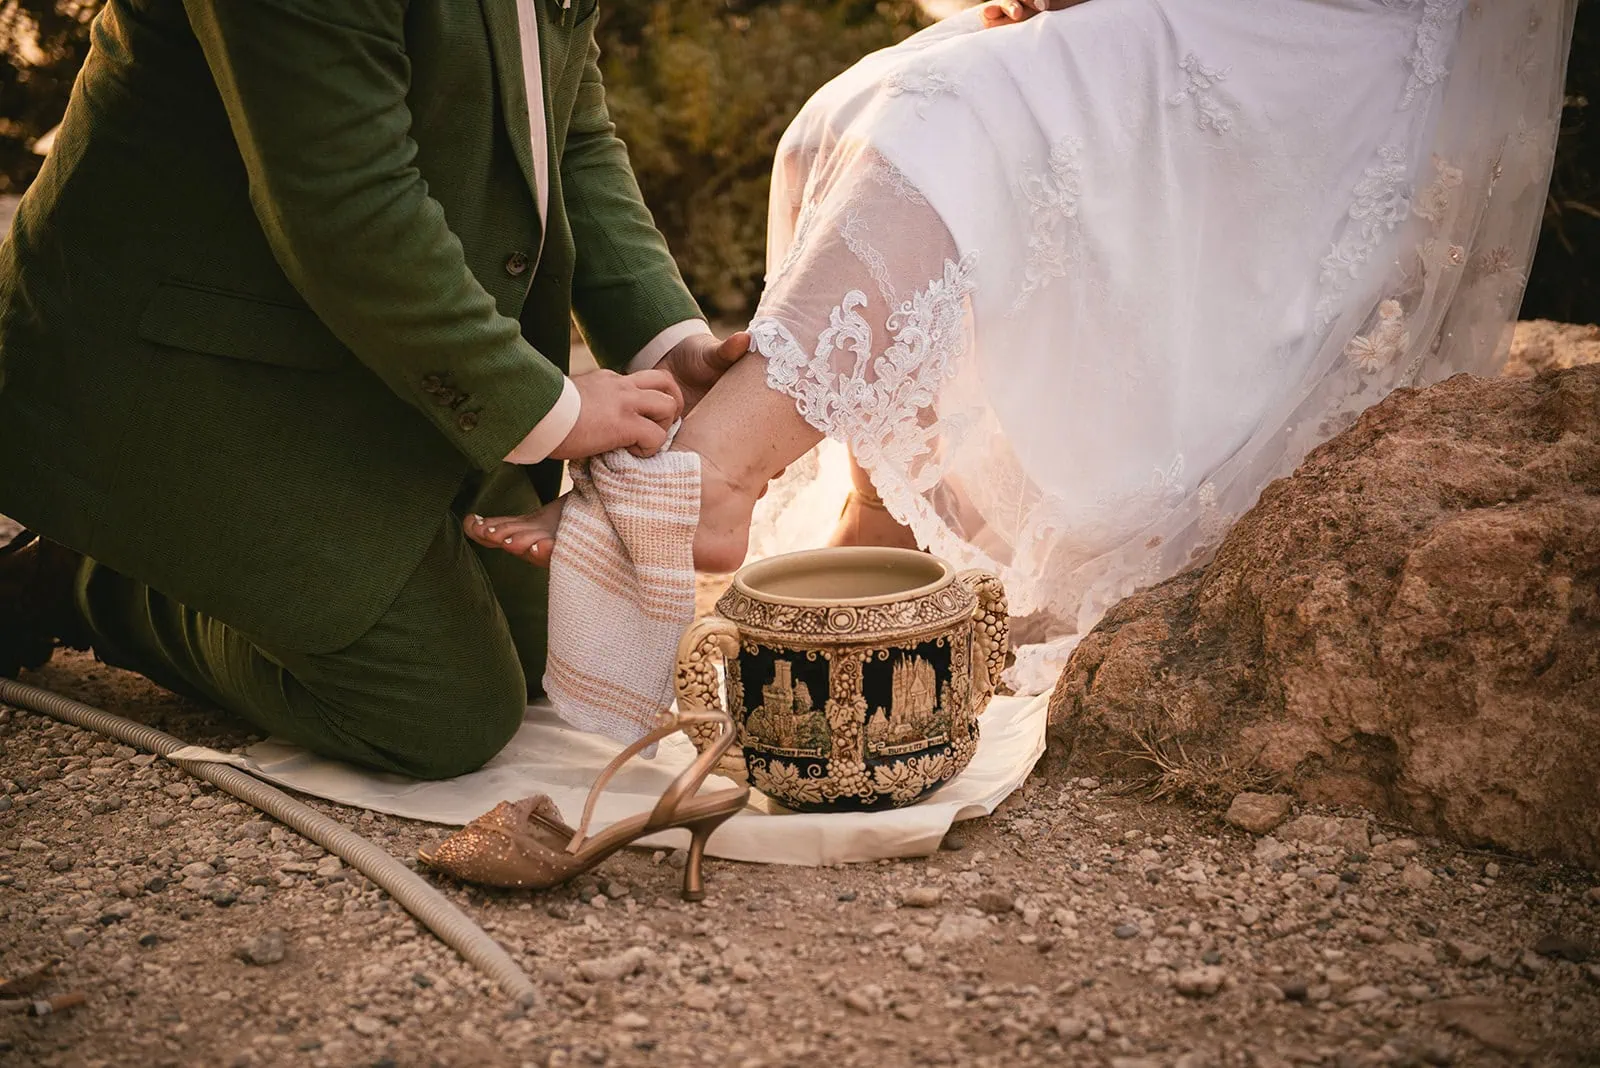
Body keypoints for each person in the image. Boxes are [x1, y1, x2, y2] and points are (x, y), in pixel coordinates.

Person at [468, 0, 1575, 692]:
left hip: (1338, 32)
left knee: (946, 109)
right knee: (857, 102)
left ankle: (709, 477)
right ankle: (885, 522)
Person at [0, 0, 749, 778]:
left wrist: (669, 343)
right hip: (186, 362)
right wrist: (549, 411)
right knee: (441, 711)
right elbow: (346, 202)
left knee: (548, 644)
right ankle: (88, 580)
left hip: (378, 343)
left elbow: (572, 137)